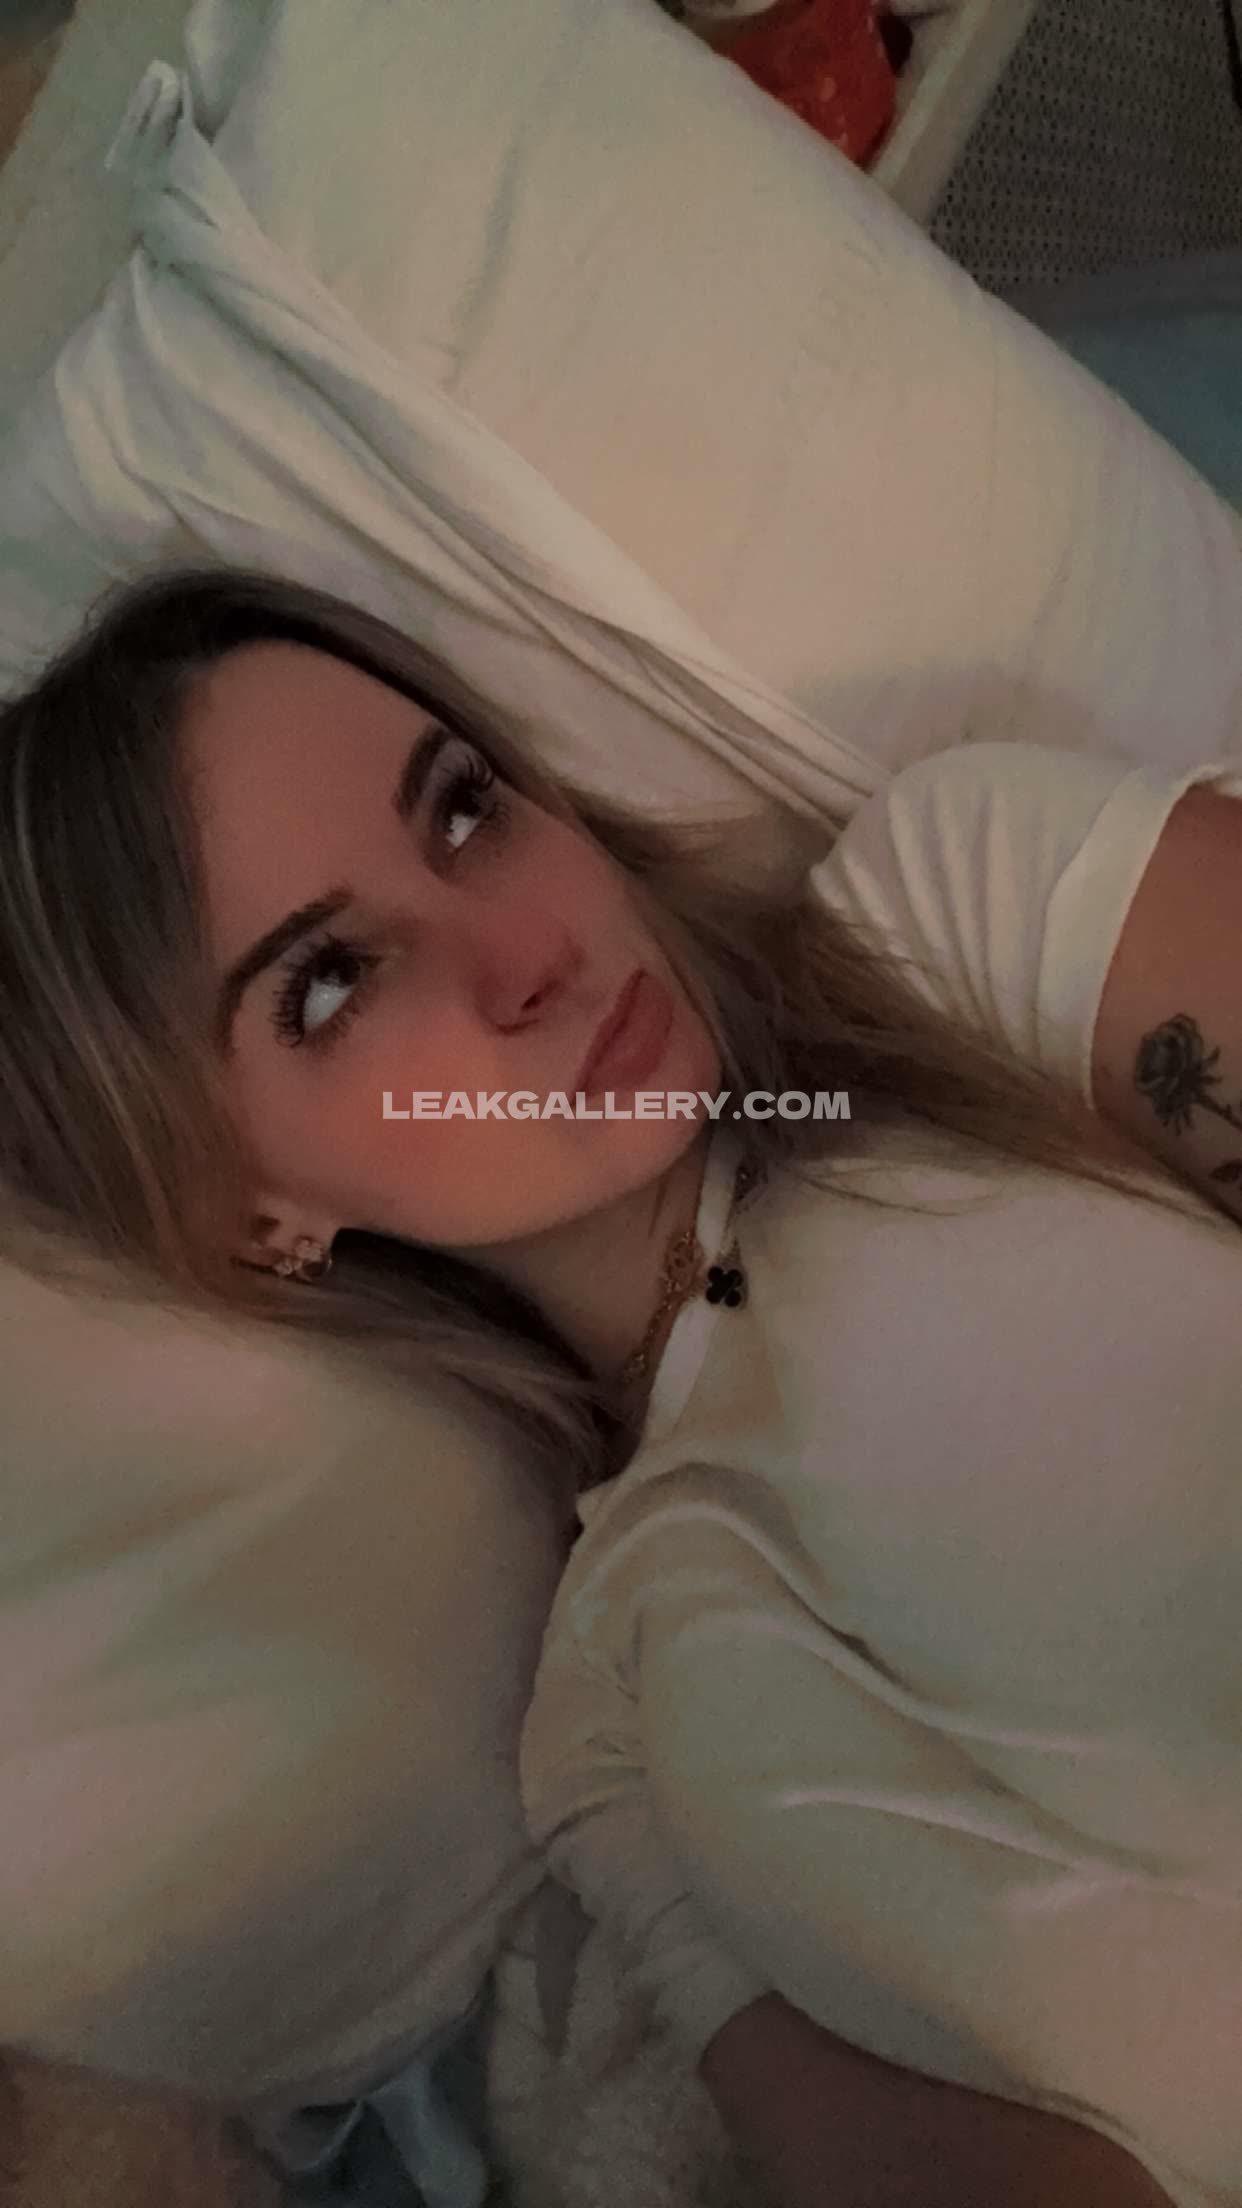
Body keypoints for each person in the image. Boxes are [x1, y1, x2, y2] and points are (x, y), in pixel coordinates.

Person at [0, 563, 1229, 2207]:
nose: (522, 955)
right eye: (332, 981)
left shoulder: (955, 916)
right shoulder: (602, 1725)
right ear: (249, 1214)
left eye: (463, 811)